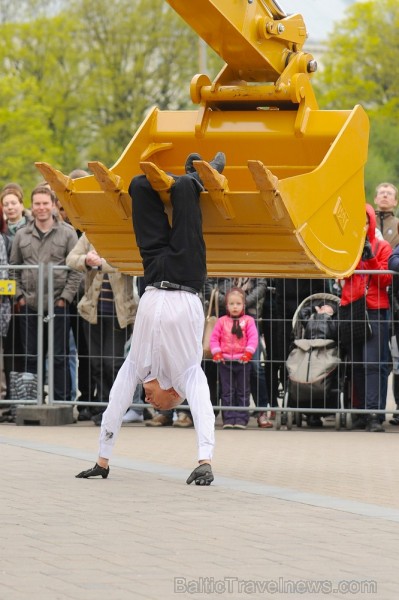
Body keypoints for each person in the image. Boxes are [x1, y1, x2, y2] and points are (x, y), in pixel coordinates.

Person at [75, 153, 225, 485]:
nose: (147, 400)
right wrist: (205, 460)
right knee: (186, 190)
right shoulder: (187, 375)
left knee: (139, 186)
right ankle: (199, 176)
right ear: (174, 396)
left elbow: (115, 404)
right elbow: (203, 410)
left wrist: (103, 459)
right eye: (156, 403)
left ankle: (183, 176)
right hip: (187, 275)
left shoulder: (136, 368)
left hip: (154, 273)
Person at [10, 185, 82, 401]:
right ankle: (34, 400)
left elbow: (76, 270)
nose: (41, 208)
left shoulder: (68, 233)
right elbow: (13, 269)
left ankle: (61, 402)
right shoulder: (22, 235)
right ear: (31, 206)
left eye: (45, 203)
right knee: (32, 356)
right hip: (30, 306)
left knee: (60, 357)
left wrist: (65, 299)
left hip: (58, 305)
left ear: (53, 205)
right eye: (37, 204)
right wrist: (19, 297)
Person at [66, 233, 137, 424]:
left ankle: (118, 407)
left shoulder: (126, 234)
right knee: (96, 364)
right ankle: (105, 407)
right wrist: (86, 260)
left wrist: (100, 263)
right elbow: (71, 258)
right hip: (92, 311)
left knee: (112, 363)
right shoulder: (90, 235)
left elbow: (132, 263)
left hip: (118, 313)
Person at [340, 204, 392, 432]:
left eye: (365, 221)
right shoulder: (345, 248)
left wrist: (370, 260)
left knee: (373, 364)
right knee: (356, 365)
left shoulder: (383, 247)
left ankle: (373, 413)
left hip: (374, 309)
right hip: (352, 309)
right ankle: (360, 413)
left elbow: (385, 281)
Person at [209, 287, 259, 429]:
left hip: (243, 361)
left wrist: (248, 353)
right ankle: (228, 418)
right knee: (227, 390)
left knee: (243, 390)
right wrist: (217, 352)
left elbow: (253, 338)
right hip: (225, 361)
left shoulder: (249, 321)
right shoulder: (221, 321)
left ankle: (242, 418)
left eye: (238, 303)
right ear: (227, 306)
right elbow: (214, 339)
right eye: (231, 304)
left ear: (244, 305)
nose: (235, 307)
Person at [373, 182, 399, 425]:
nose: (384, 196)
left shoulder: (397, 225)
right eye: (381, 192)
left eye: (389, 193)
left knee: (396, 354)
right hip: (375, 295)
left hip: (394, 294)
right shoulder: (366, 223)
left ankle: (397, 407)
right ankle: (370, 408)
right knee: (379, 353)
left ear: (395, 201)